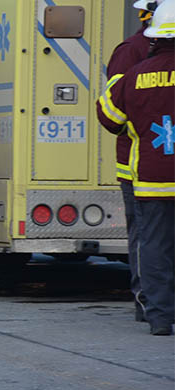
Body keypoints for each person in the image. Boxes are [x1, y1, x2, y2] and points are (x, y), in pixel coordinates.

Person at [96, 0, 175, 336]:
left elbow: (110, 117)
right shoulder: (131, 52)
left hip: (152, 178)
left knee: (153, 245)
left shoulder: (135, 74)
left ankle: (159, 316)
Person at [105, 0, 161, 323]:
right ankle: (145, 299)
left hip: (160, 162)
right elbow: (113, 110)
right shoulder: (130, 51)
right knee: (143, 234)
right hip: (135, 164)